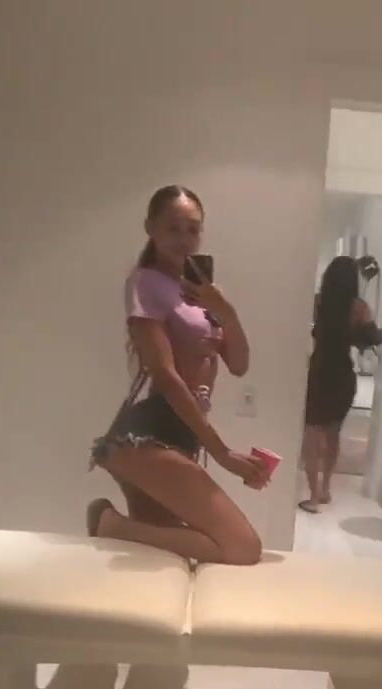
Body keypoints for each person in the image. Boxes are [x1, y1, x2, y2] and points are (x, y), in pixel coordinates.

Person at [88, 184, 267, 564]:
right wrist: (222, 453)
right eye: (173, 228)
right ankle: (109, 524)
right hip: (149, 435)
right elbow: (166, 376)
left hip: (182, 435)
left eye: (193, 229)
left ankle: (116, 529)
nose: (184, 238)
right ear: (150, 228)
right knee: (243, 547)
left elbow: (238, 365)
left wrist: (227, 312)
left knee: (161, 556)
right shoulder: (145, 283)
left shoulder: (202, 293)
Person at [299, 255, 382, 513]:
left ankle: (313, 496)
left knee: (312, 437)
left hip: (319, 373)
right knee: (333, 435)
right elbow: (369, 340)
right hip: (343, 376)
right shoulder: (359, 308)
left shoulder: (318, 302)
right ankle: (326, 488)